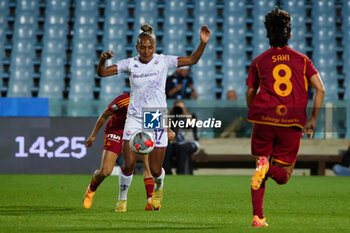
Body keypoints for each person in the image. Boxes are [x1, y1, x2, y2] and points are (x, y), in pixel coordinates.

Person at [96, 24, 211, 211]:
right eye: (142, 46)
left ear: (155, 47)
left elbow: (192, 59)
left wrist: (202, 43)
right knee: (129, 163)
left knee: (156, 169)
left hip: (155, 116)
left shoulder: (163, 61)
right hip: (134, 117)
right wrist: (102, 61)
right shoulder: (130, 63)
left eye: (150, 47)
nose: (146, 50)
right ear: (137, 47)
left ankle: (159, 187)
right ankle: (122, 200)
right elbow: (102, 73)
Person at [245, 8, 325, 227]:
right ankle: (266, 169)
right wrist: (313, 120)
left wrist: (258, 111)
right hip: (291, 121)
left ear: (267, 35)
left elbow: (250, 95)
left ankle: (258, 217)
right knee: (284, 176)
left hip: (263, 120)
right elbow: (321, 90)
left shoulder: (259, 61)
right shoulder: (303, 60)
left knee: (260, 166)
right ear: (290, 35)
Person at [82, 93, 156, 211]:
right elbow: (104, 115)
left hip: (136, 133)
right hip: (116, 132)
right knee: (105, 171)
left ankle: (150, 201)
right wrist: (93, 135)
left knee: (149, 166)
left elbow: (157, 117)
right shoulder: (123, 100)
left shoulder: (151, 100)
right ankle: (91, 190)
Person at [163, 100, 200, 175]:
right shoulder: (172, 118)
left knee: (182, 148)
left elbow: (192, 124)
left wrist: (185, 114)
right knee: (166, 149)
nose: (179, 110)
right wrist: (171, 116)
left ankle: (181, 173)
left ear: (185, 108)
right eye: (177, 108)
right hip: (176, 143)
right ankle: (167, 173)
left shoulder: (191, 116)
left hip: (190, 143)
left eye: (182, 108)